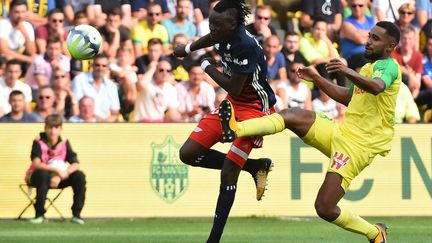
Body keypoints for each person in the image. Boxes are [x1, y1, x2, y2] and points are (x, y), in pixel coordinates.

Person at [218, 21, 401, 243]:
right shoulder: (367, 68)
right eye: (369, 36)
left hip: (358, 147)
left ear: (390, 46)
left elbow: (377, 86)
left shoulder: (390, 66)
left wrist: (346, 71)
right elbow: (349, 97)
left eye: (375, 39)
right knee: (293, 114)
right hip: (341, 130)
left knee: (324, 207)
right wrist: (317, 78)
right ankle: (236, 128)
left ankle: (375, 233)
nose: (369, 41)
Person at [174, 1, 275, 241]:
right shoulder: (224, 31)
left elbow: (236, 88)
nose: (212, 27)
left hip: (254, 109)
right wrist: (188, 48)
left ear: (233, 24)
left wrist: (206, 66)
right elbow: (211, 38)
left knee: (229, 171)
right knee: (187, 154)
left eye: (217, 24)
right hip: (231, 105)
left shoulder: (246, 46)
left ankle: (213, 239)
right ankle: (255, 166)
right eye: (211, 22)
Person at [25, 113, 86, 224]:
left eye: (56, 127)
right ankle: (39, 215)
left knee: (79, 176)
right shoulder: (38, 142)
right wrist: (57, 170)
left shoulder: (64, 143)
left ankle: (77, 214)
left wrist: (61, 176)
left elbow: (75, 164)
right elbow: (36, 164)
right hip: (37, 177)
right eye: (50, 127)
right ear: (45, 128)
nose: (53, 131)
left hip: (57, 179)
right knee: (43, 174)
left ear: (61, 129)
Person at [71, 53, 121, 122]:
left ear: (107, 68)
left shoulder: (112, 86)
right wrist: (99, 121)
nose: (100, 68)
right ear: (92, 65)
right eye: (97, 65)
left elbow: (115, 112)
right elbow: (75, 107)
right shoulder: (79, 80)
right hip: (81, 123)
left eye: (104, 66)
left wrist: (105, 123)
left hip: (104, 126)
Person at [0, 0, 36, 64]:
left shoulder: (27, 26)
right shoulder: (3, 24)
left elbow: (31, 52)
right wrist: (27, 59)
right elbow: (3, 50)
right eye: (16, 12)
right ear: (10, 12)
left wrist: (26, 35)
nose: (20, 15)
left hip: (17, 58)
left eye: (23, 12)